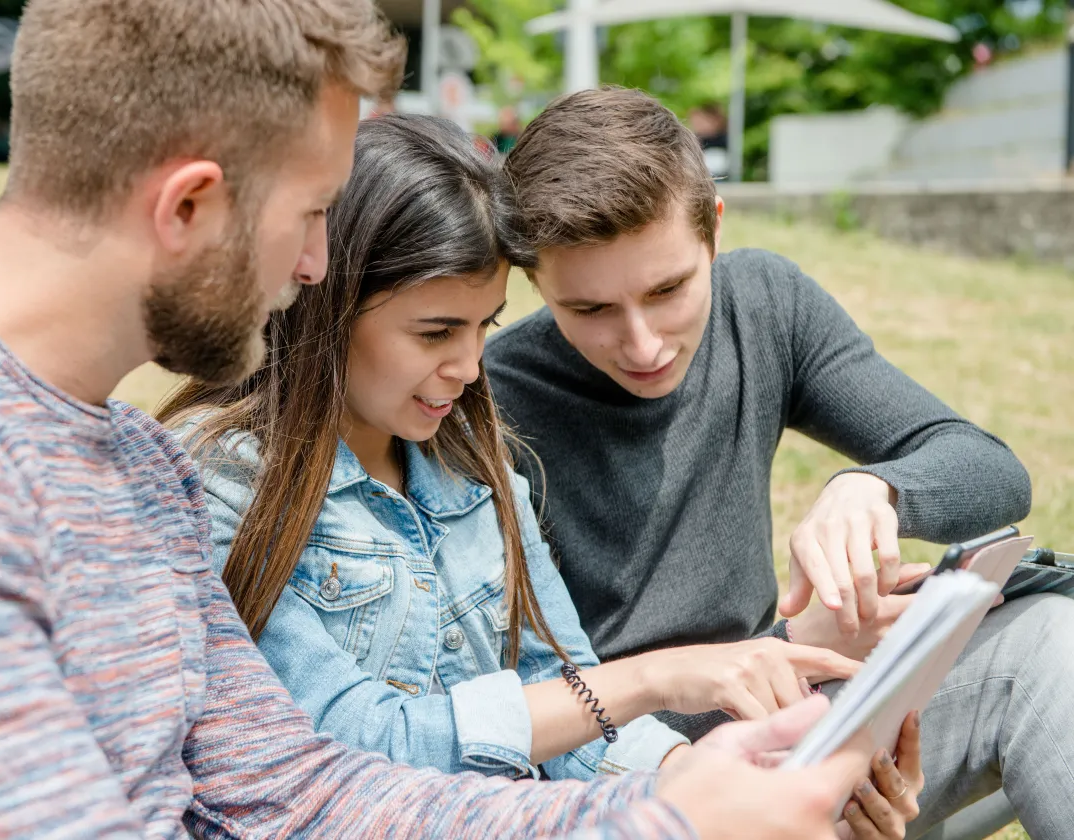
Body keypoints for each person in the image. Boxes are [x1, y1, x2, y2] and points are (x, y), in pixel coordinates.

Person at [0, 3, 878, 839]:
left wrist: (677, 809)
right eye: (315, 211)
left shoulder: (134, 461)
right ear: (189, 204)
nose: (317, 270)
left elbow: (295, 796)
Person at [163, 112, 921, 839]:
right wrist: (662, 679)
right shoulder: (224, 479)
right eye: (435, 332)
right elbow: (354, 741)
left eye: (483, 326)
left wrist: (710, 778)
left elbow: (567, 704)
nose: (467, 367)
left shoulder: (472, 461)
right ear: (330, 305)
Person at [486, 85, 1074, 838]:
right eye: (590, 311)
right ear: (536, 281)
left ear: (714, 231)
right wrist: (792, 649)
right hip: (638, 789)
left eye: (669, 289)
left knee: (1049, 638)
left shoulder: (761, 304)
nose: (642, 345)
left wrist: (876, 489)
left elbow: (993, 473)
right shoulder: (490, 404)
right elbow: (531, 718)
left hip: (796, 724)